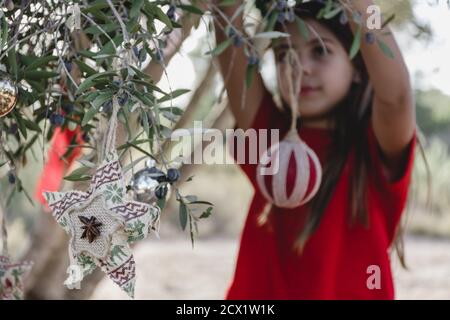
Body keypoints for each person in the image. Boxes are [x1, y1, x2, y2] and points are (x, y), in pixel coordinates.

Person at [210, 0, 417, 299]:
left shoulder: (374, 147)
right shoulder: (270, 138)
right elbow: (228, 26)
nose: (300, 67)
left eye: (320, 51)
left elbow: (396, 96)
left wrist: (357, 6)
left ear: (358, 67)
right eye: (283, 55)